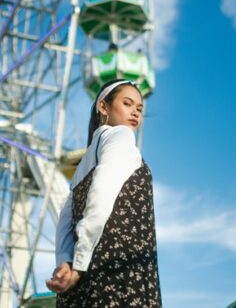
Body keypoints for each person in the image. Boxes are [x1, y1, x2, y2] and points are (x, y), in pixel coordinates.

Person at [46, 79, 162, 307]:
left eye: (139, 109)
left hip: (79, 282)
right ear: (103, 107)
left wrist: (65, 263)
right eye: (127, 104)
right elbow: (102, 193)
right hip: (119, 270)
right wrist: (78, 265)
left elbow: (65, 222)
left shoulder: (82, 164)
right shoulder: (120, 136)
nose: (135, 113)